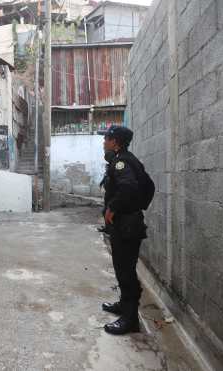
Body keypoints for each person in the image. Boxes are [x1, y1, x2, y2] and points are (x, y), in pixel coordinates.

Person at [100, 125, 149, 335]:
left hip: (127, 226)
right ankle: (124, 305)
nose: (104, 142)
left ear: (115, 142)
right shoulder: (125, 158)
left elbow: (128, 188)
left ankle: (130, 320)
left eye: (106, 139)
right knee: (122, 268)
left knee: (125, 270)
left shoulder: (122, 162)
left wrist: (112, 208)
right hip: (126, 224)